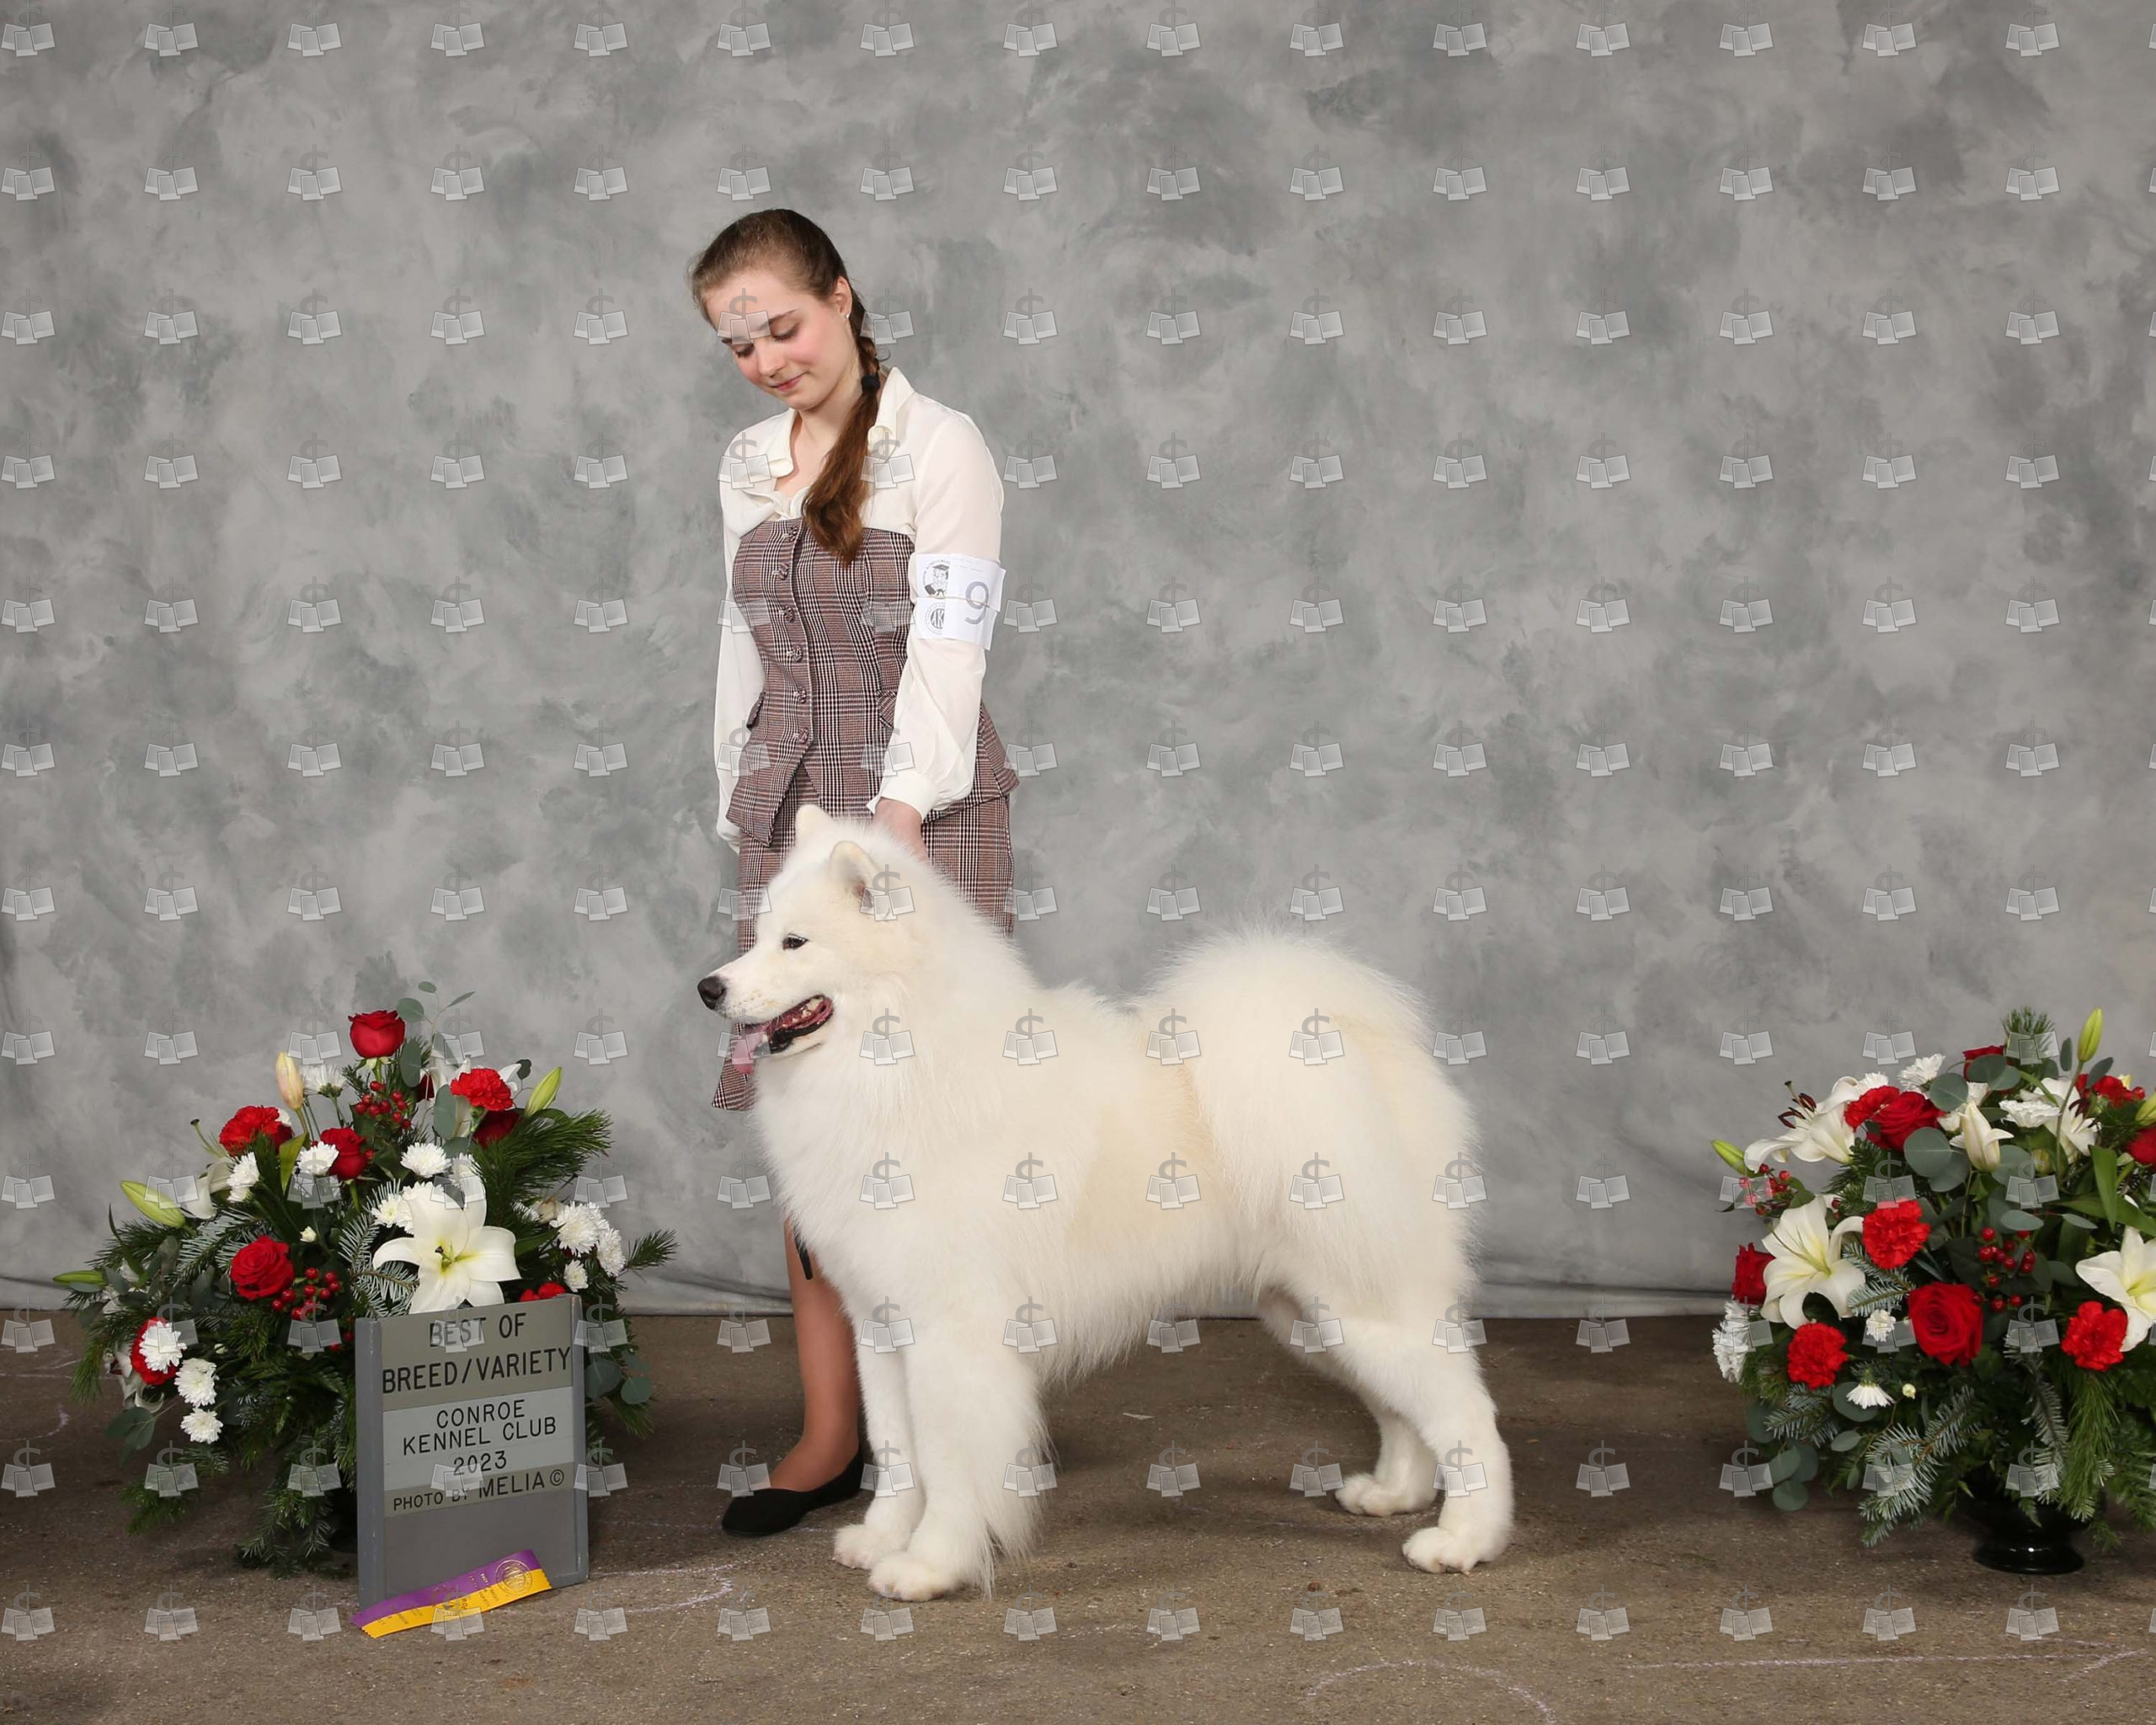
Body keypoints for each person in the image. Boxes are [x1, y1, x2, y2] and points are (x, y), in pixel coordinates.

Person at [689, 210, 1022, 1536]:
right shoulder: (746, 461)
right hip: (792, 808)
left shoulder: (941, 446)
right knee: (815, 1118)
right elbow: (742, 637)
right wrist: (740, 788)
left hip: (916, 814)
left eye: (784, 327)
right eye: (739, 346)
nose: (767, 360)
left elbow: (953, 647)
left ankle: (957, 1429)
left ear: (842, 296)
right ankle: (836, 1434)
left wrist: (895, 816)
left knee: (933, 1124)